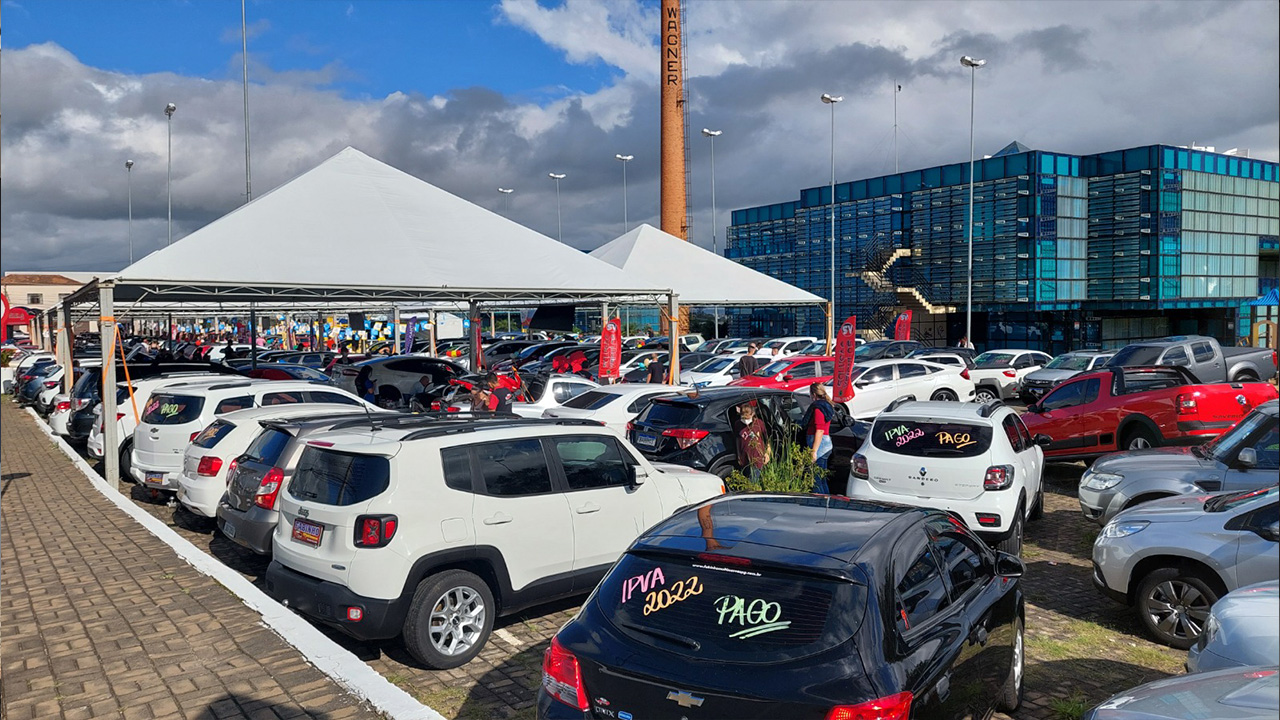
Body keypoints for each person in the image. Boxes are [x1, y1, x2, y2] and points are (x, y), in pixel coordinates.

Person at [803, 382, 835, 494]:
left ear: (814, 394)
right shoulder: (827, 405)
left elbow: (820, 430)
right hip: (826, 443)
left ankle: (820, 501)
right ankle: (826, 498)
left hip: (820, 445)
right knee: (821, 478)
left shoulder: (818, 408)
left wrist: (814, 451)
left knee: (816, 478)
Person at [735, 403, 770, 485]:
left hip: (757, 458)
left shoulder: (759, 423)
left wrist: (767, 453)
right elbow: (738, 440)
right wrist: (739, 455)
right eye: (743, 418)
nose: (745, 421)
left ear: (753, 414)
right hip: (745, 458)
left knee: (752, 483)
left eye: (747, 418)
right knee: (746, 479)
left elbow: (767, 439)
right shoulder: (738, 424)